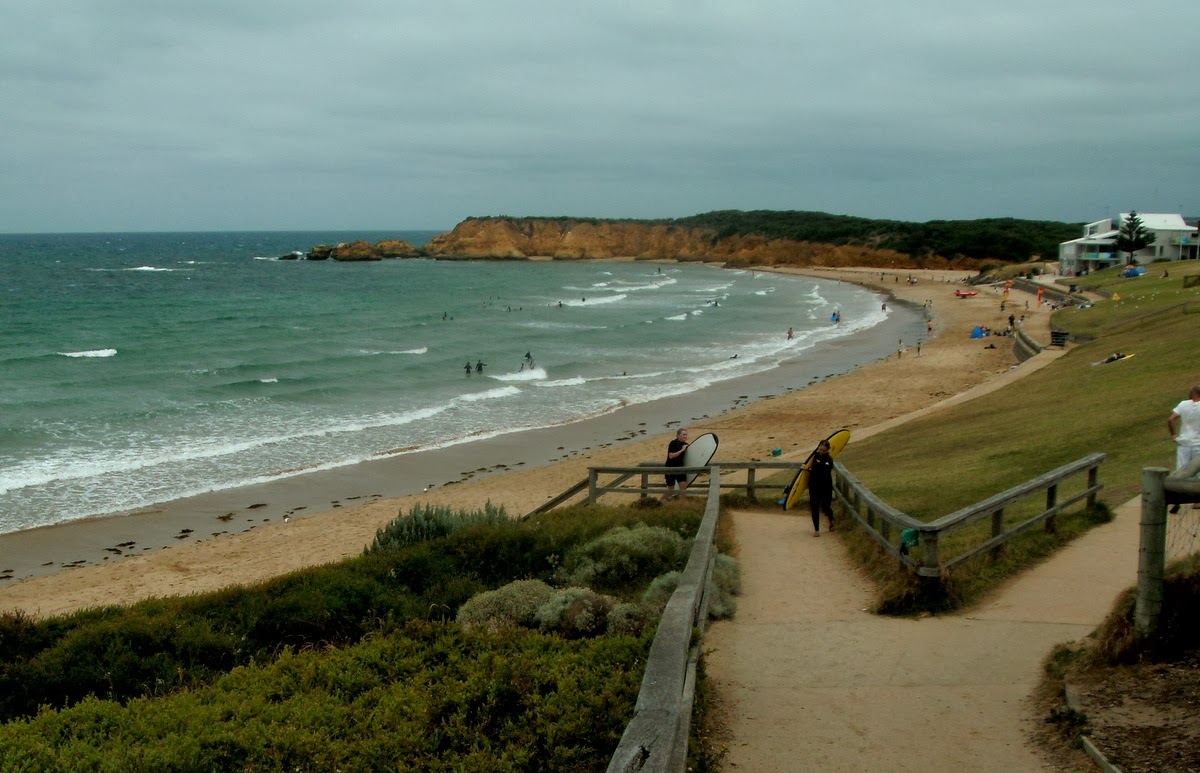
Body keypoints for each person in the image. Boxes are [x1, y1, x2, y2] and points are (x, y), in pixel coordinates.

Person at [805, 439, 835, 536]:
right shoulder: (815, 456)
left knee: (826, 506)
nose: (821, 452)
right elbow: (814, 468)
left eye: (824, 450)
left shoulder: (829, 460)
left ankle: (831, 519)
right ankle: (816, 530)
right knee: (814, 507)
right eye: (820, 449)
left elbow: (823, 471)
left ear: (828, 450)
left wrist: (809, 469)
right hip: (814, 486)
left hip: (825, 487)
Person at [662, 428, 690, 499]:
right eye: (683, 434)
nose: (685, 436)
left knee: (683, 486)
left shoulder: (686, 445)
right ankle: (661, 502)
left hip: (681, 468)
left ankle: (682, 503)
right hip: (670, 468)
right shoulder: (673, 443)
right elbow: (671, 456)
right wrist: (682, 450)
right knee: (671, 489)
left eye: (686, 435)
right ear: (678, 435)